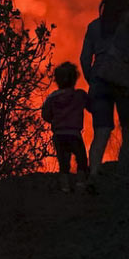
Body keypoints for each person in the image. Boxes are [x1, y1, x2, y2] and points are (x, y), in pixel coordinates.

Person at [79, 0, 129, 178]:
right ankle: (126, 173)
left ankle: (93, 173)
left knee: (101, 130)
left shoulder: (94, 26)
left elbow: (84, 58)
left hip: (100, 81)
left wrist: (92, 79)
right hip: (124, 78)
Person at [41, 61, 90, 192]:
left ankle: (65, 186)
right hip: (74, 134)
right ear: (75, 79)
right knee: (81, 159)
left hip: (59, 134)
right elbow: (91, 107)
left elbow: (45, 114)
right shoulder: (80, 95)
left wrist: (55, 120)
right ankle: (81, 183)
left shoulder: (52, 97)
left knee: (64, 161)